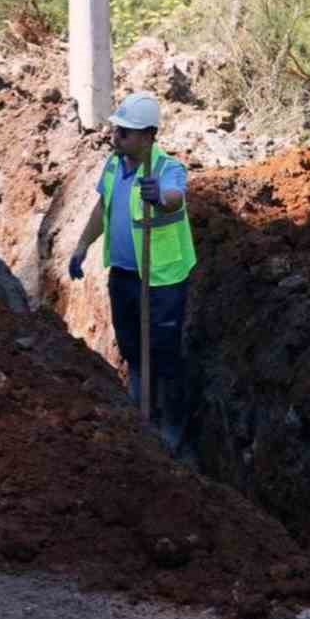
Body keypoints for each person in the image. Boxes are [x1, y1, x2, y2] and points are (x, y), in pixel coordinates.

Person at [67, 91, 196, 451]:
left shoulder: (167, 169)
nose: (117, 137)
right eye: (117, 130)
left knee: (165, 352)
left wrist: (160, 197)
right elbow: (102, 208)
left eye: (126, 132)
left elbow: (176, 197)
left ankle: (172, 425)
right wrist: (82, 245)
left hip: (162, 279)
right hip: (124, 275)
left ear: (149, 135)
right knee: (131, 346)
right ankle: (141, 414)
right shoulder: (112, 165)